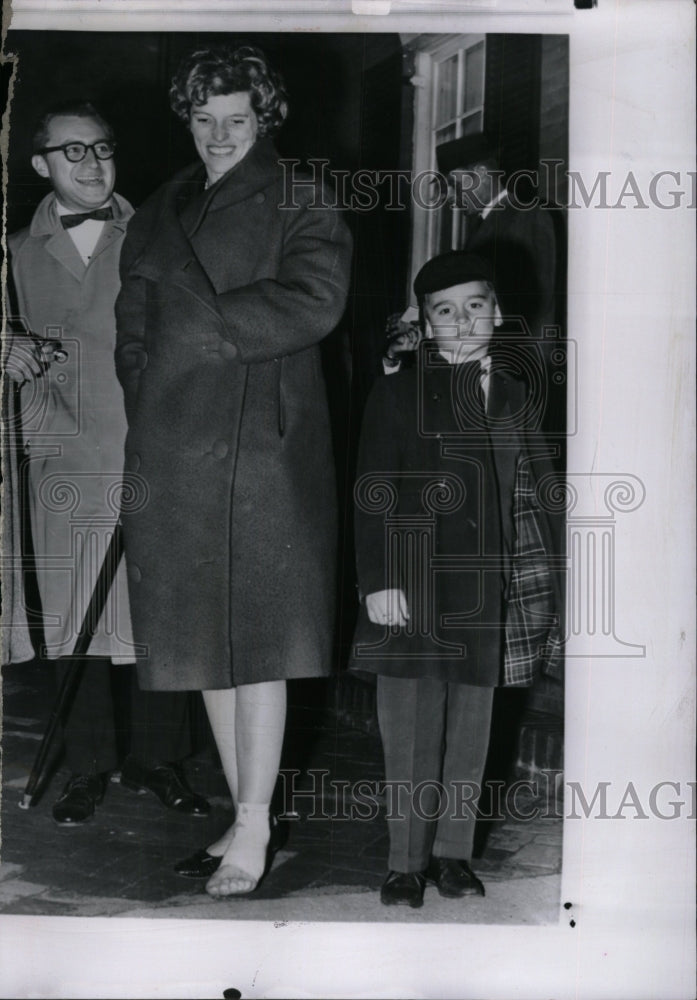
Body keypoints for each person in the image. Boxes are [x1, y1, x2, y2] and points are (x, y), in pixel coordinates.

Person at [114, 46, 352, 898]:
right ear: (187, 117)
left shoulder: (302, 196)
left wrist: (199, 338)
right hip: (175, 442)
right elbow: (131, 324)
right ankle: (241, 810)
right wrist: (149, 386)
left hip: (262, 447)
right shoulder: (160, 208)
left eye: (237, 120)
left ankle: (253, 823)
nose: (219, 136)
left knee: (258, 642)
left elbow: (314, 301)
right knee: (199, 643)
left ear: (265, 119)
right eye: (204, 119)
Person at [5, 101, 210, 826]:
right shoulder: (13, 252)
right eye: (72, 153)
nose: (91, 165)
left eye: (102, 148)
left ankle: (159, 758)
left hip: (156, 446)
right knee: (76, 612)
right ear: (41, 166)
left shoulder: (162, 227)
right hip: (65, 453)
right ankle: (87, 764)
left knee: (160, 609)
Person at [351, 251, 562, 908]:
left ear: (496, 314)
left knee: (472, 727)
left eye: (475, 305)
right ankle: (404, 861)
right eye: (445, 310)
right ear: (425, 324)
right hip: (411, 582)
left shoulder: (515, 394)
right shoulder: (396, 391)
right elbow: (372, 488)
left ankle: (451, 855)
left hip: (483, 584)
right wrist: (379, 580)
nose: (463, 320)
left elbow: (532, 489)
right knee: (410, 723)